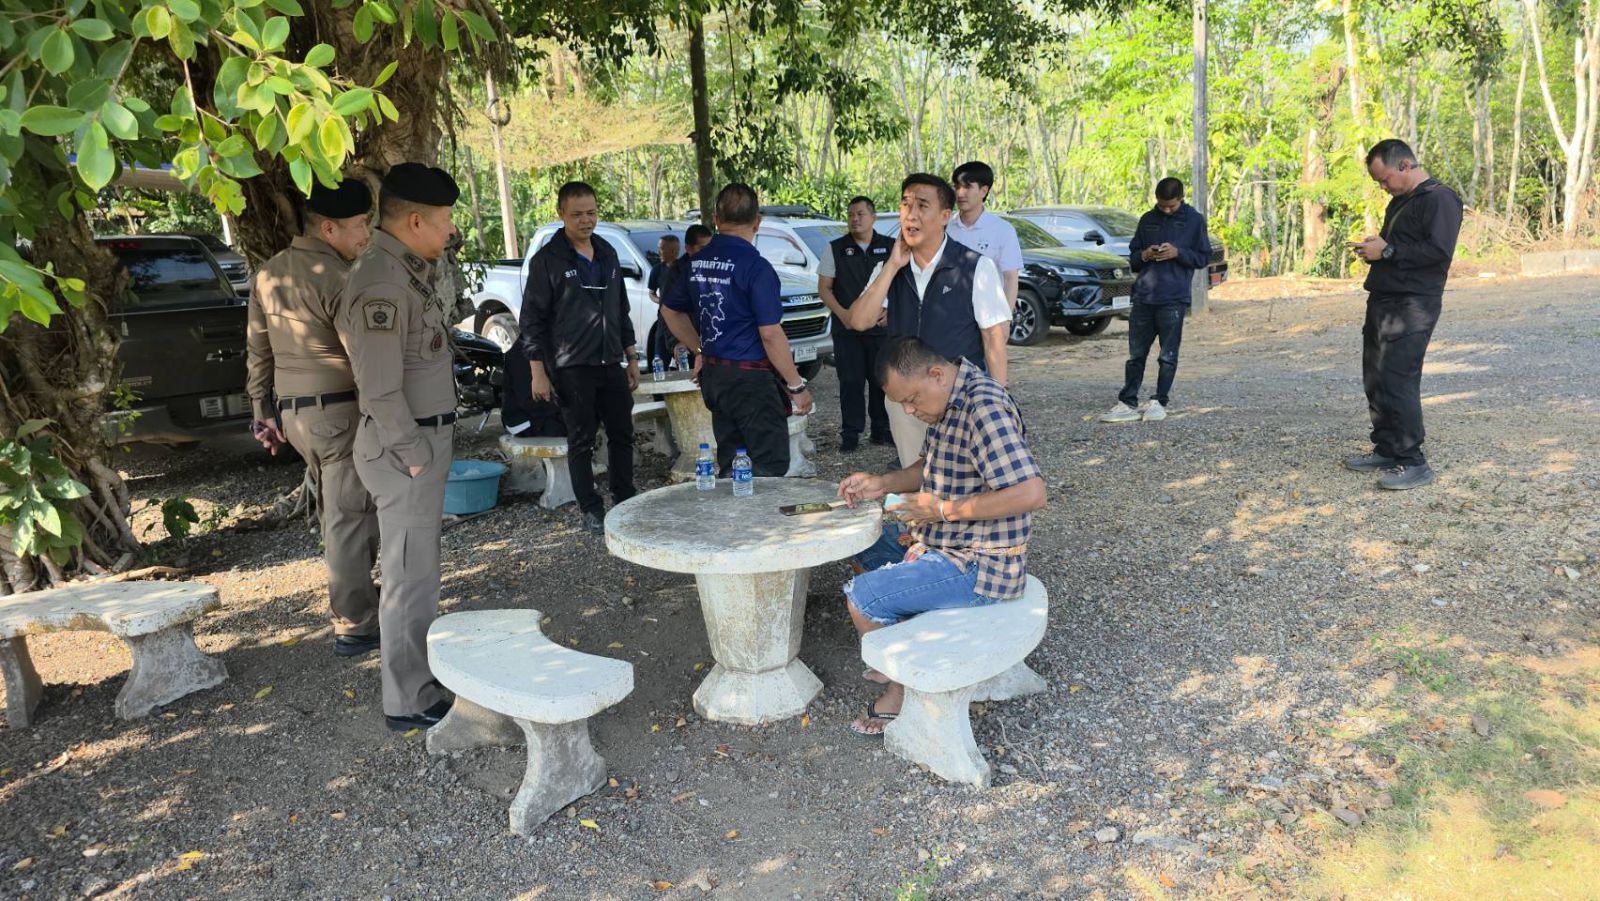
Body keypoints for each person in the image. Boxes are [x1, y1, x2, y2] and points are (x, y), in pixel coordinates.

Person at [836, 336, 1047, 734]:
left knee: (862, 598)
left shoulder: (984, 409)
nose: (909, 410)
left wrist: (942, 510)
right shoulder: (950, 400)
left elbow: (1031, 493)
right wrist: (881, 483)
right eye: (902, 404)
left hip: (982, 564)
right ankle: (902, 645)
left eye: (912, 399)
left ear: (936, 374)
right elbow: (927, 467)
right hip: (943, 541)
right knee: (867, 546)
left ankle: (902, 691)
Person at [339, 162, 461, 732]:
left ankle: (418, 683)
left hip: (415, 441)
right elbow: (380, 388)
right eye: (445, 219)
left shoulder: (401, 270)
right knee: (410, 578)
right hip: (404, 447)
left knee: (418, 573)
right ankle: (408, 698)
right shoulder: (383, 282)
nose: (451, 230)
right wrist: (415, 455)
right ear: (415, 221)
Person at [245, 178, 380, 658]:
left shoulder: (269, 273)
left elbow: (258, 350)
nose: (366, 233)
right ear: (329, 229)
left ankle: (358, 598)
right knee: (351, 519)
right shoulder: (339, 277)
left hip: (296, 417)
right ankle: (355, 624)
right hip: (340, 413)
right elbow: (363, 356)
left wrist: (261, 411)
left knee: (338, 511)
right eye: (360, 224)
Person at [840, 173, 1012, 468]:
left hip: (957, 398)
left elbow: (994, 338)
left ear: (945, 216)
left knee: (961, 478)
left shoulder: (974, 266)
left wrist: (999, 401)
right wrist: (892, 266)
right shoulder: (890, 268)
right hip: (905, 400)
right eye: (906, 205)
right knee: (914, 474)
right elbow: (859, 321)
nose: (911, 214)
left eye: (922, 205)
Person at [661, 183, 816, 476]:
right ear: (757, 222)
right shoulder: (756, 267)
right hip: (751, 379)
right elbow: (770, 334)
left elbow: (670, 310)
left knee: (733, 461)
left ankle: (729, 506)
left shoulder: (696, 263)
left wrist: (700, 349)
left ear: (716, 220)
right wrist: (796, 386)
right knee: (768, 466)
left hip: (715, 377)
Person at [516, 181, 640, 533]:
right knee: (581, 440)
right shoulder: (548, 260)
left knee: (622, 434)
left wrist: (631, 356)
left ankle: (625, 499)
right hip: (571, 366)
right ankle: (590, 508)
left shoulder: (607, 252)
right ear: (561, 214)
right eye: (577, 215)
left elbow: (620, 309)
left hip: (610, 361)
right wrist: (537, 372)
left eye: (592, 213)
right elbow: (532, 320)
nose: (586, 220)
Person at [1345, 139, 1462, 490]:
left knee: (1398, 379)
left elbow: (1438, 252)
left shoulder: (1440, 199)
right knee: (1376, 377)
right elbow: (1396, 248)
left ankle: (1413, 461)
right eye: (1378, 182)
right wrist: (1377, 249)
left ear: (1405, 166)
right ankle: (1387, 448)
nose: (1383, 187)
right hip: (1383, 299)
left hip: (1413, 304)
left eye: (1385, 179)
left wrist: (1389, 251)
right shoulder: (1400, 201)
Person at [1099, 177, 1212, 424]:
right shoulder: (1147, 220)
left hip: (1174, 298)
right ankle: (1127, 402)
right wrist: (1146, 254)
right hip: (1144, 297)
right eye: (1162, 205)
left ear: (1181, 198)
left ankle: (1159, 401)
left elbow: (1204, 258)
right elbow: (1133, 258)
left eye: (1171, 206)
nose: (1166, 210)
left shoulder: (1194, 221)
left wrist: (1178, 253)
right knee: (1136, 355)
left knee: (1167, 355)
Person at [818, 195, 895, 453]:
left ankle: (881, 430)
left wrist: (891, 310)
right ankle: (851, 434)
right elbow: (825, 288)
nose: (855, 219)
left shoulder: (890, 247)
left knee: (881, 380)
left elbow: (902, 285)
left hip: (880, 330)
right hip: (847, 330)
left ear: (873, 217)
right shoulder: (835, 248)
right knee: (850, 382)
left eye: (861, 214)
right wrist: (842, 314)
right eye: (851, 215)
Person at [948, 161, 1023, 312]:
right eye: (957, 186)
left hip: (987, 315)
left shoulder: (1002, 230)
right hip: (948, 312)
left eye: (967, 187)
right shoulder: (945, 227)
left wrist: (1006, 319)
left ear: (983, 191)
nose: (960, 193)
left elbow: (1010, 278)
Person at [647, 234, 682, 365]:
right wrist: (661, 301)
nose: (658, 252)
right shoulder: (657, 270)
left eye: (661, 249)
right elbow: (651, 293)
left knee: (684, 362)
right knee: (660, 360)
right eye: (658, 248)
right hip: (663, 322)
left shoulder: (684, 269)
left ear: (674, 251)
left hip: (683, 322)